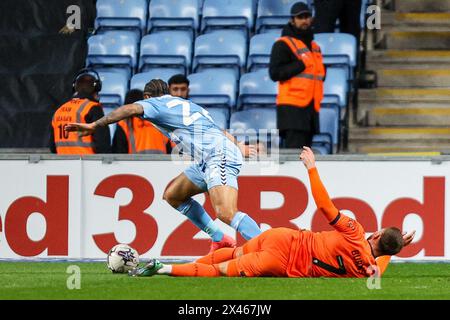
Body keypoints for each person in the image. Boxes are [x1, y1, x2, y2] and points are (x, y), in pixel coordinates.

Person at [129, 146, 416, 278]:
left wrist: (312, 168)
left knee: (231, 253)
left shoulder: (354, 231)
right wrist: (395, 248)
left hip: (282, 239)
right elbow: (379, 264)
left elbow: (325, 206)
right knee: (219, 272)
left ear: (376, 232)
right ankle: (162, 269)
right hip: (280, 265)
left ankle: (165, 266)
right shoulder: (367, 272)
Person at [65, 79, 262, 253]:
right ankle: (220, 239)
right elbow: (217, 130)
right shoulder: (185, 104)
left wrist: (94, 125)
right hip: (208, 158)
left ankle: (267, 246)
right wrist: (238, 145)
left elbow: (129, 109)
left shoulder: (155, 104)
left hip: (218, 156)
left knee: (226, 212)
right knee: (173, 196)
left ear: (147, 97)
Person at [269, 2, 325, 149]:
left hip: (310, 110)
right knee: (294, 158)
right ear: (292, 20)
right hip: (292, 111)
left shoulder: (314, 47)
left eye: (307, 16)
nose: (305, 20)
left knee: (305, 158)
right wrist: (300, 64)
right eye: (300, 17)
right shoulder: (283, 44)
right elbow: (275, 73)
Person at [50, 68, 111, 154]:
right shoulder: (92, 108)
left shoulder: (59, 111)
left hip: (63, 164)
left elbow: (53, 147)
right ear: (96, 88)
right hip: (87, 164)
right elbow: (103, 145)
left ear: (75, 87)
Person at [112, 89, 172, 154]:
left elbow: (119, 153)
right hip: (162, 163)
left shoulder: (124, 124)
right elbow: (170, 150)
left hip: (133, 163)